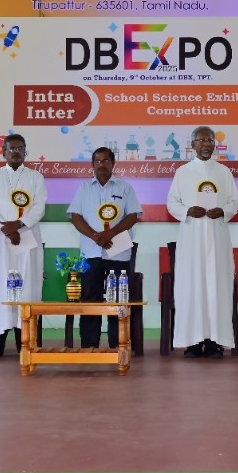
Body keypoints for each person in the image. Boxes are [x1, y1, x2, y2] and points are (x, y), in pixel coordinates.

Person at [166, 126, 238, 358]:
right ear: (193, 145)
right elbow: (172, 202)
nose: (207, 144)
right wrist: (187, 210)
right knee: (192, 287)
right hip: (192, 237)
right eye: (202, 140)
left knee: (217, 287)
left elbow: (235, 202)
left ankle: (215, 342)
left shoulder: (224, 172)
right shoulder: (183, 172)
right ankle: (193, 342)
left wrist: (223, 211)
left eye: (210, 140)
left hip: (217, 237)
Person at [0, 133, 46, 358]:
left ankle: (25, 343)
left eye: (20, 148)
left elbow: (39, 208)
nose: (16, 152)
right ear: (4, 152)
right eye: (11, 148)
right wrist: (7, 230)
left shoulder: (36, 177)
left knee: (27, 287)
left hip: (27, 237)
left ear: (25, 152)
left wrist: (18, 225)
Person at [68, 146, 142, 348]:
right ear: (92, 165)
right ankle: (89, 344)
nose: (101, 164)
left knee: (117, 298)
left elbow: (132, 216)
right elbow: (75, 217)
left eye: (105, 160)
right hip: (91, 252)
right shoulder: (84, 188)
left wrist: (110, 233)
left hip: (118, 251)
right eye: (97, 161)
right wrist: (96, 236)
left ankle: (117, 343)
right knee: (90, 298)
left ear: (113, 163)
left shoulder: (125, 188)